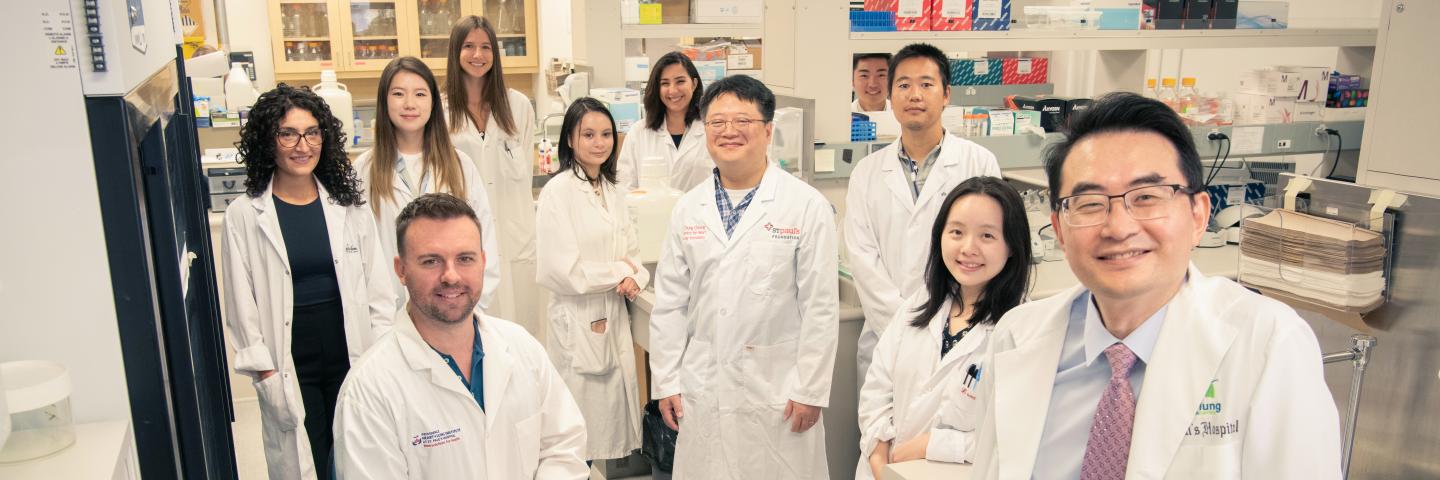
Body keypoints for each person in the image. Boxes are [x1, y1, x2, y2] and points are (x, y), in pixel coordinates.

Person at [970, 92, 1342, 479]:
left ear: (1198, 215)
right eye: (1091, 203)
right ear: (1060, 229)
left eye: (1146, 197)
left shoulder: (1268, 343)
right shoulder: (1016, 337)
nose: (1119, 228)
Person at [649, 75, 839, 479]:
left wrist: (810, 389)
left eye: (743, 121)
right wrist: (665, 380)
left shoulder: (805, 207)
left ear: (768, 130)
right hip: (705, 384)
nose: (729, 132)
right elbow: (669, 304)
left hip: (779, 389)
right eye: (717, 123)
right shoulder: (688, 209)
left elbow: (820, 307)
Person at [334, 193, 588, 479]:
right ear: (401, 270)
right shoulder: (369, 390)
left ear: (483, 261)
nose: (451, 276)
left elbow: (564, 446)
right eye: (431, 261)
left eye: (465, 259)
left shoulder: (522, 347)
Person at [222, 84, 396, 480]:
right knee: (308, 458)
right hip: (289, 357)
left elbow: (379, 292)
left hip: (350, 347)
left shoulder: (348, 207)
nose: (303, 145)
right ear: (269, 140)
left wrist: (381, 352)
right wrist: (264, 373)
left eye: (312, 132)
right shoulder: (246, 215)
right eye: (288, 133)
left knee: (360, 453)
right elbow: (240, 304)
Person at [846, 42, 1001, 390]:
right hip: (886, 340)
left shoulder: (979, 163)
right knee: (882, 437)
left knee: (953, 437)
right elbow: (861, 257)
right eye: (903, 85)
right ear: (891, 97)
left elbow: (992, 248)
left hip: (962, 333)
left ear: (946, 94)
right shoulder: (867, 172)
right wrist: (905, 328)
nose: (914, 94)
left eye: (926, 84)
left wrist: (943, 326)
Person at [856, 176, 1031, 479]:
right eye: (957, 232)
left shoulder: (1021, 329)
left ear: (1012, 246)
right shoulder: (918, 305)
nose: (968, 248)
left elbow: (1017, 434)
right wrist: (878, 452)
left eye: (987, 236)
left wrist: (933, 445)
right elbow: (876, 388)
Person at [535, 98, 649, 461]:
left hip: (610, 313)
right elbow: (561, 270)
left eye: (605, 134)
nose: (599, 143)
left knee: (606, 427)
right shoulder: (559, 191)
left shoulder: (613, 190)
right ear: (570, 139)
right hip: (577, 319)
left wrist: (637, 277)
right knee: (574, 433)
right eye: (588, 134)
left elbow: (635, 252)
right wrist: (621, 272)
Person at [354, 56, 501, 311]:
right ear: (384, 101)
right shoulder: (364, 170)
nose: (409, 104)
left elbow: (484, 240)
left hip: (453, 308)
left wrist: (471, 309)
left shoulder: (460, 166)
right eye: (399, 93)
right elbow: (357, 255)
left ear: (433, 102)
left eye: (420, 94)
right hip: (389, 315)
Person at [445, 15, 544, 339]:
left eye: (485, 47)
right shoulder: (443, 112)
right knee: (477, 330)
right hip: (467, 233)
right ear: (456, 52)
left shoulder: (518, 106)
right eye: (469, 46)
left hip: (517, 234)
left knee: (523, 329)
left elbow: (523, 171)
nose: (478, 55)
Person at [616, 51, 715, 192]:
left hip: (700, 213)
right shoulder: (639, 132)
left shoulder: (711, 128)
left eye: (680, 81)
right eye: (665, 83)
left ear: (694, 84)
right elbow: (624, 187)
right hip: (651, 213)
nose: (673, 90)